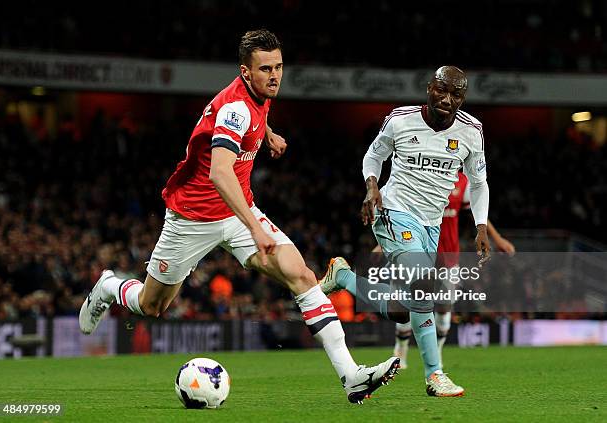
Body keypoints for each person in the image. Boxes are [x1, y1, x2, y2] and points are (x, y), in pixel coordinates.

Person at [78, 29, 399, 404]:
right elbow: (219, 172)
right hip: (192, 217)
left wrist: (268, 134)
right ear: (246, 73)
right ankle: (108, 287)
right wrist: (253, 227)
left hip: (237, 210)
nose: (275, 75)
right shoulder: (235, 108)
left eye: (278, 66)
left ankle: (351, 376)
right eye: (265, 69)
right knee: (153, 306)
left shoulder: (257, 96)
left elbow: (252, 121)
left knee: (302, 275)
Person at [320, 66, 489, 397]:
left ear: (463, 98)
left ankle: (342, 277)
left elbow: (480, 183)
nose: (447, 98)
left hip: (431, 224)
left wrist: (480, 226)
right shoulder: (400, 119)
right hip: (393, 211)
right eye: (442, 89)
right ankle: (434, 375)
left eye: (456, 94)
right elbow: (374, 156)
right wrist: (372, 187)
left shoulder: (472, 131)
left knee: (404, 308)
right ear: (429, 88)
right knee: (424, 283)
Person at [392, 171, 516, 369]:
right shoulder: (418, 174)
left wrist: (496, 238)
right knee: (410, 303)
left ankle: (437, 354)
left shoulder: (462, 181)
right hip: (419, 251)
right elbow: (399, 212)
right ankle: (400, 350)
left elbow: (477, 210)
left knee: (444, 307)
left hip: (449, 256)